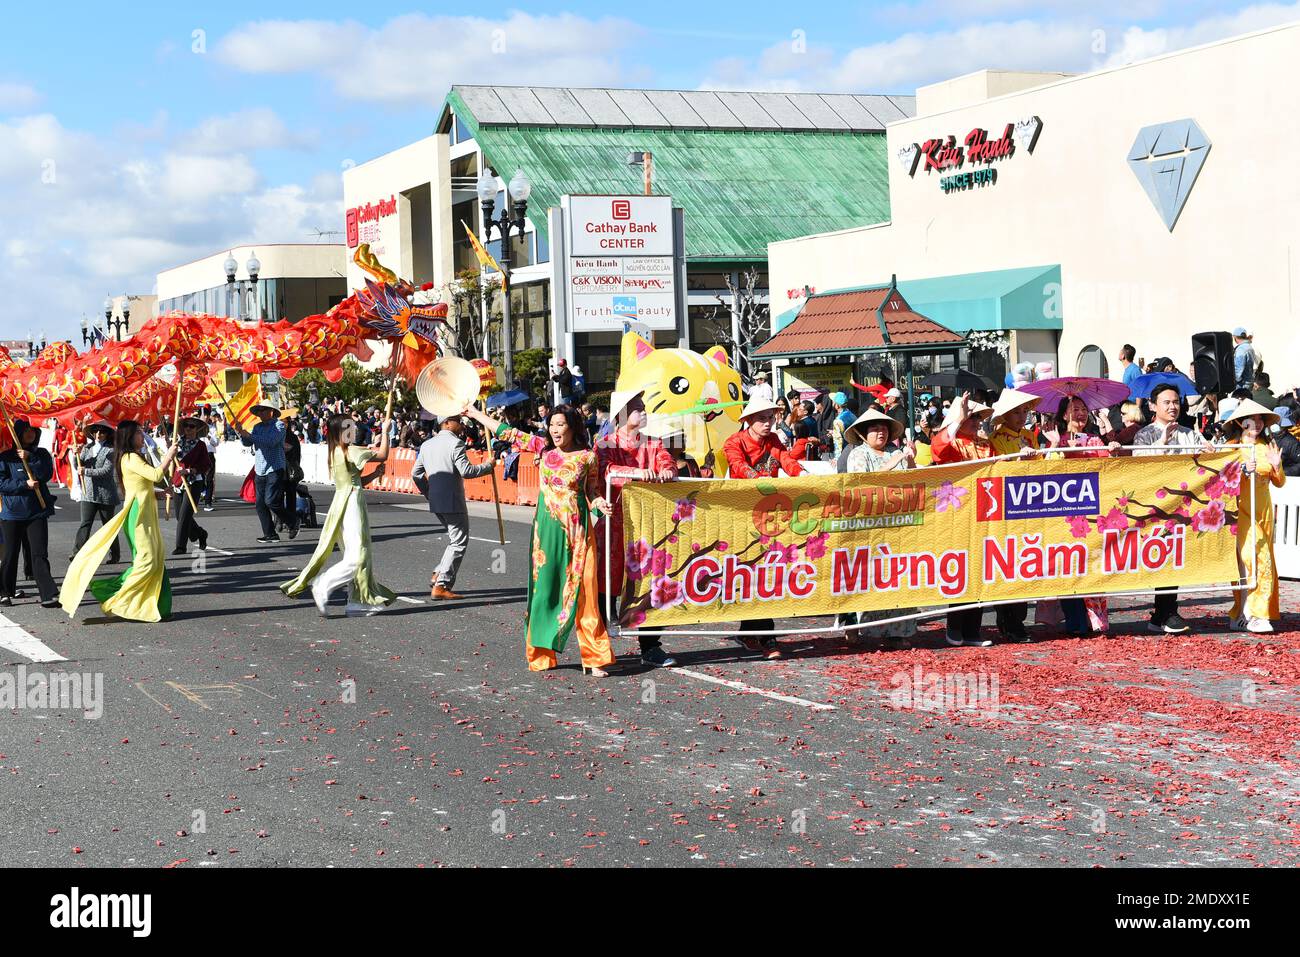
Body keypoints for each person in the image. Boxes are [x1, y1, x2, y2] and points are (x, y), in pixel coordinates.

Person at [465, 403, 615, 676]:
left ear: (572, 427)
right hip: (546, 533)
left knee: (585, 594)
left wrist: (600, 504)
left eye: (560, 424)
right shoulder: (542, 450)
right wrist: (474, 413)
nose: (555, 429)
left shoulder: (587, 457)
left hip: (579, 533)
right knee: (544, 591)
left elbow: (591, 491)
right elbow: (507, 433)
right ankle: (541, 654)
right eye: (552, 424)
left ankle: (593, 658)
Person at [281, 409, 397, 617]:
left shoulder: (335, 451)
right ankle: (323, 584)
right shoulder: (350, 450)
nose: (353, 429)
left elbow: (355, 481)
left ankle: (356, 602)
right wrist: (386, 432)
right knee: (358, 556)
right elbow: (383, 454)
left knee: (355, 552)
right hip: (351, 503)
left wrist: (373, 474)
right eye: (349, 426)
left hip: (342, 501)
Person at [60, 420, 179, 622]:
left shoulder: (135, 457)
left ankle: (154, 606)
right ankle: (115, 599)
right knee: (147, 561)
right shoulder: (130, 457)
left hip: (146, 512)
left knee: (156, 559)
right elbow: (156, 473)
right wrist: (169, 454)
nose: (143, 436)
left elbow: (145, 485)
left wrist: (159, 492)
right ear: (129, 437)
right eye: (139, 433)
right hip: (138, 515)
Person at [596, 389, 679, 668]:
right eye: (637, 408)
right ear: (621, 415)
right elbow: (607, 472)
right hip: (614, 525)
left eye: (644, 407)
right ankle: (598, 642)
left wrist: (667, 470)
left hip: (647, 527)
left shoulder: (653, 443)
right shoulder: (605, 444)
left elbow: (666, 461)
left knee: (649, 585)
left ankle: (650, 646)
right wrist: (636, 473)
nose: (644, 412)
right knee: (607, 585)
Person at [721, 397, 805, 660]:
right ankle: (761, 635)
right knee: (747, 575)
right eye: (762, 418)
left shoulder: (774, 441)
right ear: (747, 421)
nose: (768, 423)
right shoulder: (734, 442)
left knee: (766, 575)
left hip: (769, 515)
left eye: (771, 417)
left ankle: (762, 635)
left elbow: (786, 460)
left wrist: (801, 474)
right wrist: (763, 482)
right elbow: (739, 466)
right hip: (741, 516)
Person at [1040, 397, 1118, 637]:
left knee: (1092, 565)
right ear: (1064, 415)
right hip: (1064, 515)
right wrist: (1058, 448)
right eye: (1075, 409)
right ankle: (1074, 620)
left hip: (1093, 514)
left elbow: (1110, 470)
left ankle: (1094, 619)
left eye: (1084, 409)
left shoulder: (1095, 440)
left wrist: (1112, 448)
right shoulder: (1056, 441)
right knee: (1068, 565)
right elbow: (1045, 472)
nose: (1081, 414)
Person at [841, 408, 918, 647]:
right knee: (865, 576)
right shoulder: (858, 455)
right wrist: (890, 465)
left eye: (883, 428)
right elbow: (860, 485)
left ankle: (898, 632)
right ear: (864, 434)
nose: (880, 432)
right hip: (868, 524)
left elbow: (914, 479)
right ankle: (854, 626)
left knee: (896, 576)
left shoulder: (896, 452)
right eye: (874, 428)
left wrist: (911, 459)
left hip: (897, 524)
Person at [1133, 382, 1204, 634]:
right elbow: (1140, 464)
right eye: (1167, 402)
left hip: (1184, 502)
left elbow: (1204, 458)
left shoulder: (1189, 432)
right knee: (1163, 554)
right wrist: (1162, 442)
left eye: (1175, 402)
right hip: (1156, 503)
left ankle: (1163, 612)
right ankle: (1165, 612)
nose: (1173, 406)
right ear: (1153, 405)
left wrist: (1212, 452)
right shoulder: (1145, 434)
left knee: (1176, 555)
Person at [930, 393, 995, 647]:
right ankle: (954, 627)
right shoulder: (951, 441)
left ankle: (972, 631)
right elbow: (938, 450)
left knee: (979, 570)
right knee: (958, 568)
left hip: (983, 513)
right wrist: (958, 419)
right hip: (956, 514)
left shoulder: (985, 444)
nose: (977, 422)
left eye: (978, 417)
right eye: (972, 417)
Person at [411, 412, 497, 600]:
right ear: (447, 423)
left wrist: (427, 491)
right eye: (459, 421)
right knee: (458, 542)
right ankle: (442, 584)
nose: (462, 425)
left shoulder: (427, 445)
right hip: (452, 500)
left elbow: (416, 474)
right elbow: (466, 471)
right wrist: (487, 466)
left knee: (453, 540)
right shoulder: (455, 443)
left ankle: (438, 574)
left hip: (435, 500)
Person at [1220, 401, 1285, 633]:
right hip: (1240, 511)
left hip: (1264, 512)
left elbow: (1279, 482)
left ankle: (1241, 613)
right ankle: (1257, 614)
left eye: (1260, 419)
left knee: (1252, 563)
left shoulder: (1268, 445)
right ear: (1240, 422)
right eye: (1251, 418)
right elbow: (1220, 481)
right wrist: (1242, 470)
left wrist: (1276, 466)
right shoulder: (1231, 448)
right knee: (1255, 558)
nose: (1257, 423)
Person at [987, 389, 1042, 642]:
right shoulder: (995, 439)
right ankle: (1009, 619)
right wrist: (1015, 461)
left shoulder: (1031, 436)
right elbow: (994, 470)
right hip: (1007, 506)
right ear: (1005, 415)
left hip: (1030, 504)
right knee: (1007, 560)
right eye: (1016, 412)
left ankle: (1017, 618)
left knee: (1026, 561)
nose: (1021, 416)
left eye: (1025, 411)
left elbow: (1041, 465)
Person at [0, 420, 58, 608]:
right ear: (17, 433)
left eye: (33, 430)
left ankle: (48, 594)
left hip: (36, 513)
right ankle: (4, 591)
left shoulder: (40, 454)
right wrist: (24, 485)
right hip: (12, 514)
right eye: (26, 431)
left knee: (39, 553)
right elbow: (2, 483)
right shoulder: (5, 457)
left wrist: (30, 458)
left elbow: (47, 473)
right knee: (10, 554)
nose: (30, 433)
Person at [239, 398, 298, 543]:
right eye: (259, 410)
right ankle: (270, 533)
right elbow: (248, 442)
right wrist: (241, 433)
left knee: (271, 501)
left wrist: (250, 436)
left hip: (274, 468)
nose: (261, 412)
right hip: (260, 468)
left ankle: (292, 521)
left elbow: (271, 442)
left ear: (271, 411)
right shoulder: (257, 427)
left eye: (264, 410)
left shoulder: (279, 425)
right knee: (260, 504)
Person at [71, 422, 121, 565]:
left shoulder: (111, 450)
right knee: (85, 523)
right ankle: (77, 553)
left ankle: (115, 553)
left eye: (102, 432)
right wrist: (76, 456)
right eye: (96, 432)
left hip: (106, 494)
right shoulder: (87, 448)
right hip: (88, 492)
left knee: (108, 526)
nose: (99, 434)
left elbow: (106, 471)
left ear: (107, 434)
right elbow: (78, 465)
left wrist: (86, 471)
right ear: (92, 434)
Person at [171, 416, 211, 556]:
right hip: (178, 482)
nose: (188, 428)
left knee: (184, 515)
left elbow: (206, 465)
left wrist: (190, 470)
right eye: (186, 425)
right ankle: (200, 533)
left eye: (192, 426)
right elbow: (171, 460)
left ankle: (181, 546)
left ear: (197, 429)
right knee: (179, 515)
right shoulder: (177, 443)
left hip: (194, 482)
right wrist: (171, 451)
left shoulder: (200, 445)